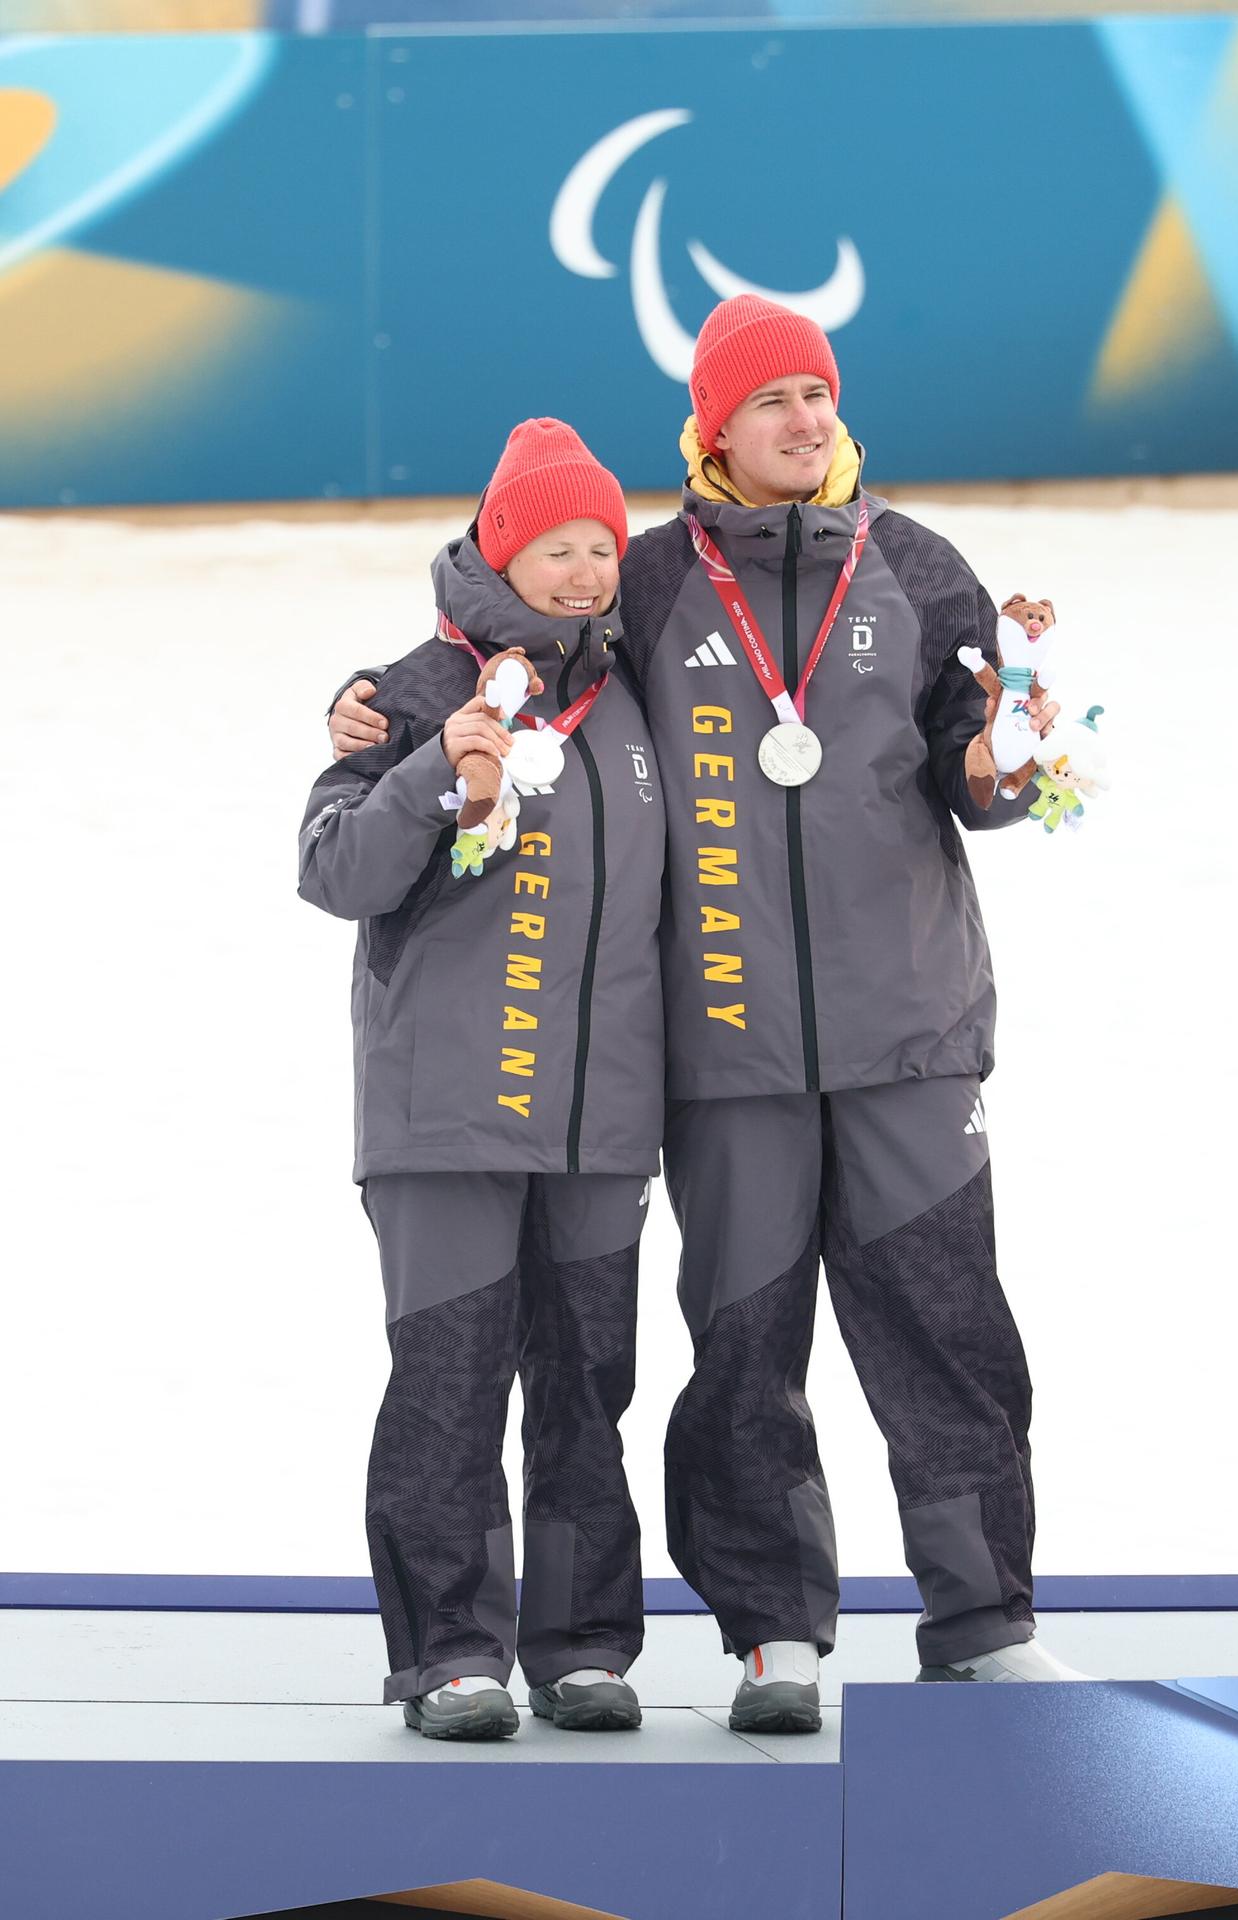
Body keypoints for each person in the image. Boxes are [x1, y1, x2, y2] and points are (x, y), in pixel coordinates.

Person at [327, 295, 1086, 1733]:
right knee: (743, 1350)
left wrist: (1007, 764)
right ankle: (772, 1630)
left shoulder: (922, 572)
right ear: (714, 428)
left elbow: (977, 777)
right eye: (773, 402)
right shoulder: (649, 587)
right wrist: (372, 708)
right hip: (719, 1052)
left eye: (820, 396)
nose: (806, 422)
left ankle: (983, 1613)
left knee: (948, 1330)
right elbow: (496, 653)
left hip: (910, 1034)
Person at [300, 419, 665, 1738]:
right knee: (449, 1387)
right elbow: (331, 868)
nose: (581, 573)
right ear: (504, 551)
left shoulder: (641, 700)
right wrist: (422, 765)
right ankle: (451, 1653)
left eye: (601, 549)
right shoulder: (404, 688)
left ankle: (579, 1647)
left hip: (601, 1118)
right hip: (442, 1115)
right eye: (555, 547)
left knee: (587, 1391)